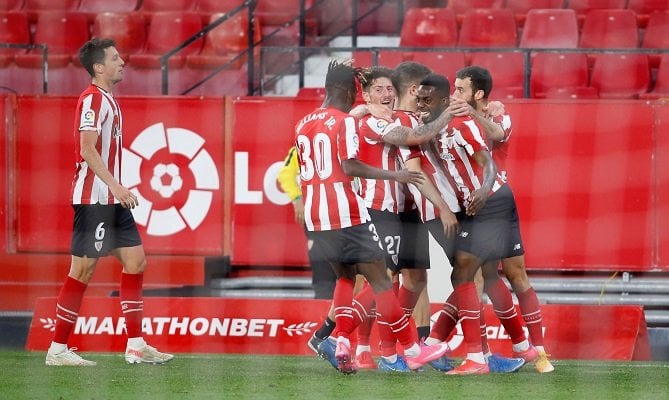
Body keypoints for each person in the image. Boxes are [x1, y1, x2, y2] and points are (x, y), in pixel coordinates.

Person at [294, 60, 448, 374]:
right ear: (346, 90)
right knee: (381, 281)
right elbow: (349, 166)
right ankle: (411, 349)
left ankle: (339, 341)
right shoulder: (347, 122)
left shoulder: (303, 122)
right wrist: (393, 176)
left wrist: (360, 113)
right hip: (347, 210)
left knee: (346, 278)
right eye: (356, 91)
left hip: (316, 215)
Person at [45, 38, 173, 366]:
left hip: (113, 201)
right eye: (115, 58)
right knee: (83, 270)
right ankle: (58, 349)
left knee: (136, 262)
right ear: (98, 67)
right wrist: (117, 187)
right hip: (94, 201)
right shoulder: (92, 101)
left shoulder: (110, 100)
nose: (122, 62)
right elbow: (87, 149)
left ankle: (136, 345)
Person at [446, 66, 554, 373]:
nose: (456, 95)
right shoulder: (457, 119)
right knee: (483, 277)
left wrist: (474, 112)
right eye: (454, 89)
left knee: (512, 274)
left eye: (461, 89)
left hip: (494, 201)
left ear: (478, 94)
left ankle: (537, 351)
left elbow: (497, 133)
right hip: (477, 205)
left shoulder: (498, 116)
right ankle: (502, 351)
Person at [277, 146, 337, 300]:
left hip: (342, 211)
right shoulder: (300, 146)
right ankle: (324, 302)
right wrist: (297, 199)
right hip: (318, 211)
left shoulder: (345, 139)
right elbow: (285, 175)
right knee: (320, 253)